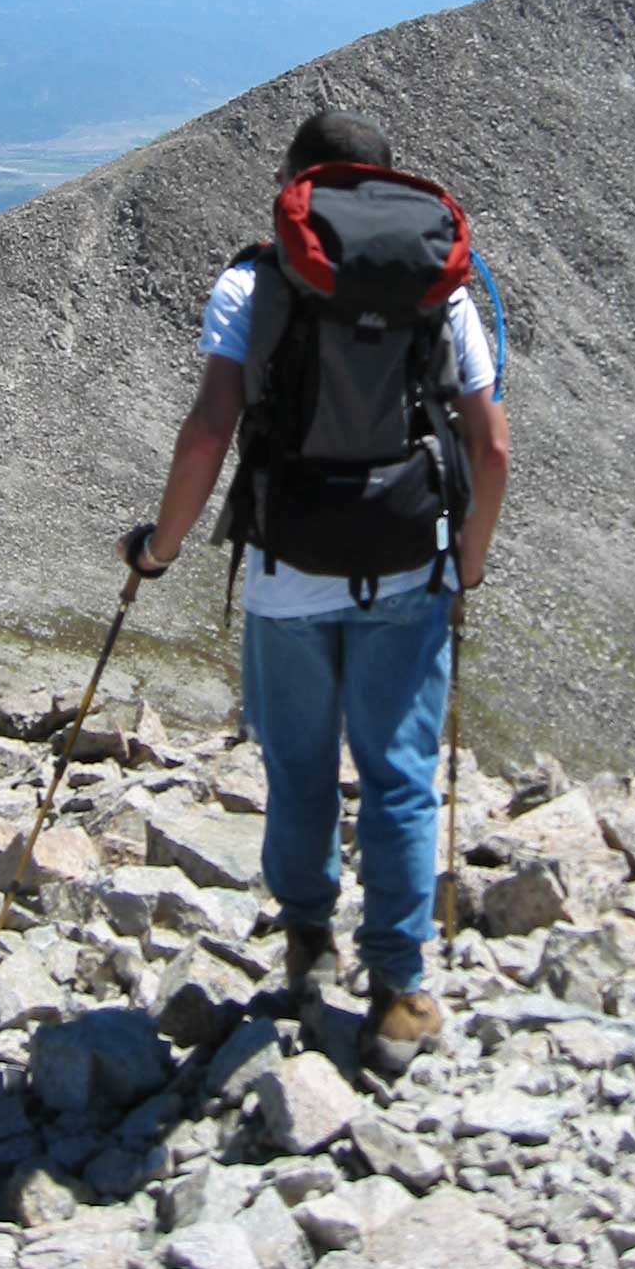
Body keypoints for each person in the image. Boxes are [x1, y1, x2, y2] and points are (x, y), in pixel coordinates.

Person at [118, 109, 510, 1070]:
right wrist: (471, 557)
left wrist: (158, 553)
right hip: (411, 561)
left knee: (300, 769)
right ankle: (398, 994)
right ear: (387, 186)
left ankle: (307, 946)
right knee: (398, 777)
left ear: (297, 185)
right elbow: (489, 445)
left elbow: (211, 428)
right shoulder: (441, 287)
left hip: (289, 569)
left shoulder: (255, 279)